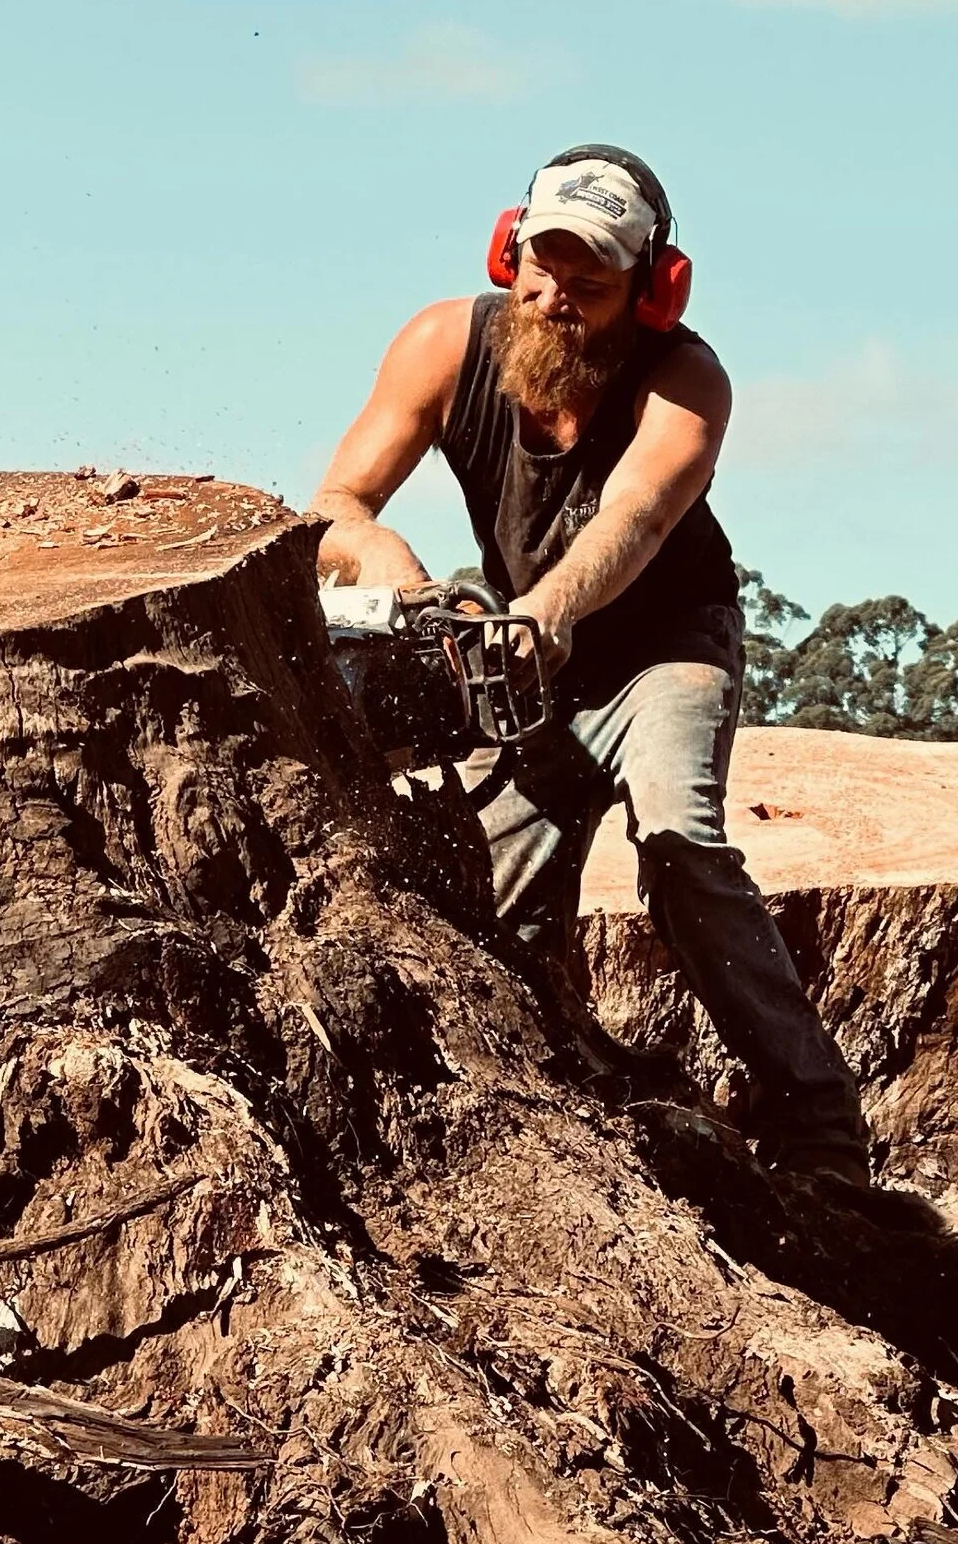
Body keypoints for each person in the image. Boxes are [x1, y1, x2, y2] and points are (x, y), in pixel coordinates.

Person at [308, 142, 871, 1183]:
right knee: (476, 905)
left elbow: (636, 519)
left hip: (660, 654)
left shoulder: (686, 379)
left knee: (678, 843)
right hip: (529, 663)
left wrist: (545, 610)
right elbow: (335, 505)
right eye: (542, 265)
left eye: (589, 281)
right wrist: (395, 566)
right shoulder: (443, 344)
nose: (555, 296)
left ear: (653, 290)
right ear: (506, 250)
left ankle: (817, 1121)